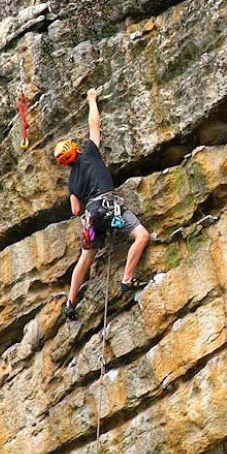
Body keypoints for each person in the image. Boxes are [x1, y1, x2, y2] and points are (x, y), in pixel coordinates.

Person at [54, 89, 150, 320]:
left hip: (90, 217)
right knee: (141, 235)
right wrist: (91, 100)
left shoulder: (71, 181)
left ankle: (70, 303)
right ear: (75, 149)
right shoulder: (90, 154)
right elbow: (94, 125)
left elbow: (76, 210)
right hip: (108, 206)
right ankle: (127, 279)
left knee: (85, 258)